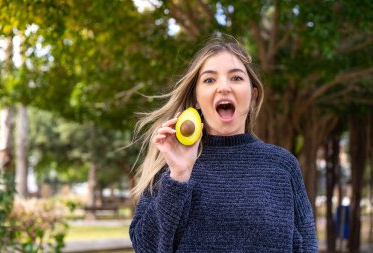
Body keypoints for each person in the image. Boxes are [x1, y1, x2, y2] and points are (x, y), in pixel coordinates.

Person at [129, 34, 318, 252]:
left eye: (236, 78)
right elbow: (145, 248)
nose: (224, 87)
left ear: (253, 95)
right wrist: (180, 175)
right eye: (209, 80)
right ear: (197, 99)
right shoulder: (170, 168)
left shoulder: (283, 165)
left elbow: (306, 246)